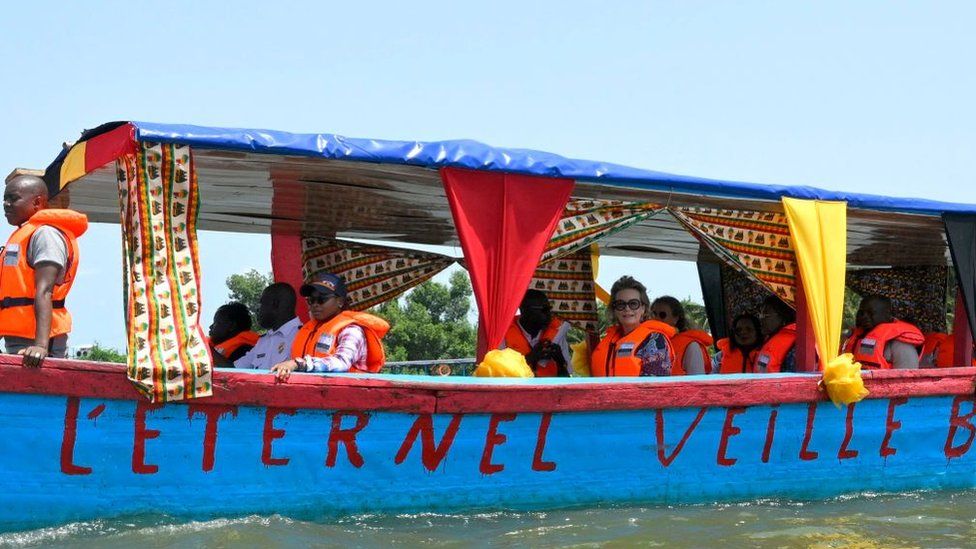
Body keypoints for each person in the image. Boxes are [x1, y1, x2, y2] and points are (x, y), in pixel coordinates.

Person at [1, 175, 88, 367]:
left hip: (38, 345)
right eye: (4, 199)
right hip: (17, 339)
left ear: (37, 202)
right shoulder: (20, 236)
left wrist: (41, 346)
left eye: (13, 199)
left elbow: (45, 290)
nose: (6, 204)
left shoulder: (45, 234)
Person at [271, 272, 389, 380]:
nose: (315, 305)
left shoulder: (352, 330)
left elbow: (342, 362)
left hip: (345, 399)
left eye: (322, 299)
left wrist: (298, 364)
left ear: (340, 302)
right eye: (311, 300)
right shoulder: (307, 329)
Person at [590, 276, 674, 377]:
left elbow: (655, 389)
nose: (627, 309)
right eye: (621, 304)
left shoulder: (655, 340)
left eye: (633, 304)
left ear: (643, 308)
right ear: (615, 310)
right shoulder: (610, 340)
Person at [500, 289, 571, 377]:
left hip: (549, 390)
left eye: (549, 310)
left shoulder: (557, 335)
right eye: (544, 310)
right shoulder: (503, 334)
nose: (549, 315)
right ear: (524, 310)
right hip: (518, 390)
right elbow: (499, 377)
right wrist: (531, 357)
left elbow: (567, 382)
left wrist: (560, 362)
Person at [841, 294, 923, 369]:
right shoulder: (851, 338)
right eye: (861, 313)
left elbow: (907, 382)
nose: (864, 317)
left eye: (870, 313)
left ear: (887, 314)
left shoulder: (901, 345)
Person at [234, 283, 302, 370]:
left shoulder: (302, 335)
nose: (258, 309)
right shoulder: (264, 340)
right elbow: (236, 368)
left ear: (275, 304)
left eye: (262, 303)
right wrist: (210, 352)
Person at [651, 295, 713, 375]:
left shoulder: (691, 346)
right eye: (653, 314)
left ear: (675, 319)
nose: (656, 318)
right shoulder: (645, 342)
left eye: (662, 315)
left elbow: (697, 382)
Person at [209, 302, 260, 367]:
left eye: (217, 322)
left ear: (231, 326)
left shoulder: (245, 349)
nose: (211, 326)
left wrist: (208, 350)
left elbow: (234, 371)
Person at [755, 296, 797, 373]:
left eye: (766, 314)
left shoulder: (795, 346)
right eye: (760, 313)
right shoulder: (767, 341)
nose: (760, 318)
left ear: (783, 316)